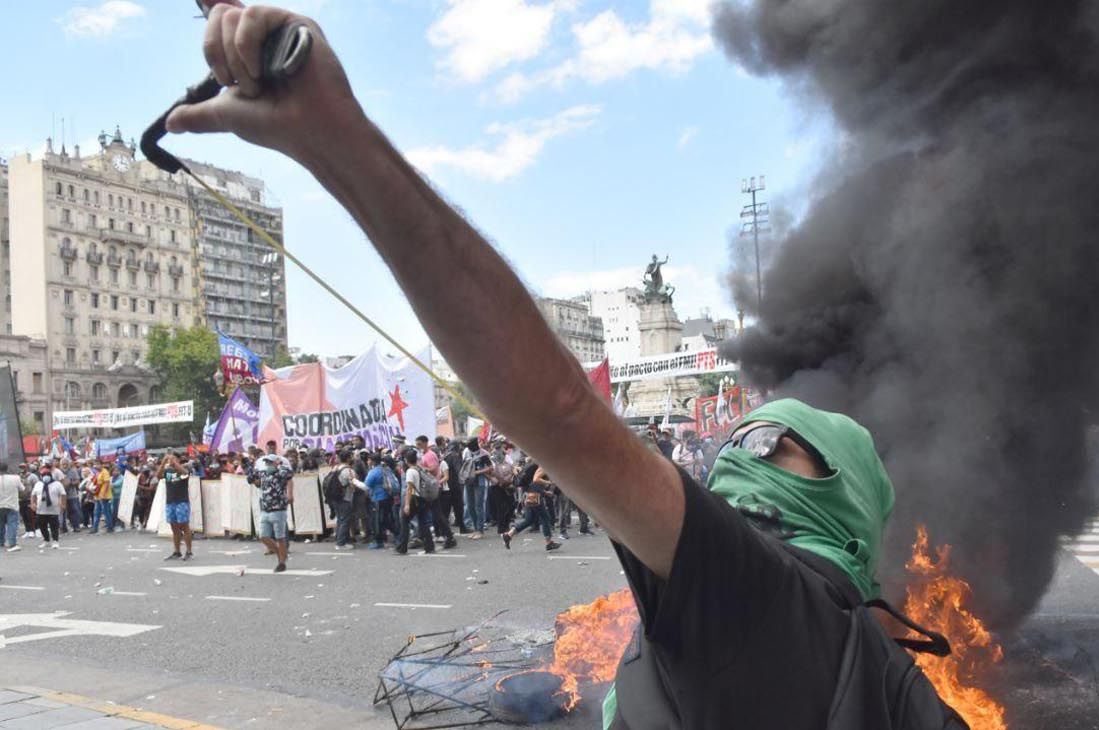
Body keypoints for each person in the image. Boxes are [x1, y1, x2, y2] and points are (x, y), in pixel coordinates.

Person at [164, 10, 959, 727]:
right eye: (734, 446)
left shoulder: (774, 601)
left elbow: (559, 409)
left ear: (842, 497)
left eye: (768, 448)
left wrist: (337, 140)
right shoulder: (887, 675)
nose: (732, 467)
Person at [249, 447, 295, 572]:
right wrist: (251, 469)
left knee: (280, 537)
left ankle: (281, 562)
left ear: (276, 463)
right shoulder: (263, 473)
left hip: (278, 508)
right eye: (266, 463)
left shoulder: (282, 472)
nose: (267, 464)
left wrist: (290, 494)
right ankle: (281, 554)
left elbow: (290, 478)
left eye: (270, 462)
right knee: (263, 536)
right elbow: (253, 480)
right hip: (265, 509)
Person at [500, 465, 561, 552]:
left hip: (530, 494)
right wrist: (550, 482)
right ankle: (549, 542)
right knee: (545, 517)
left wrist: (544, 492)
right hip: (535, 497)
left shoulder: (537, 465)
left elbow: (533, 483)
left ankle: (508, 535)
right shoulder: (542, 465)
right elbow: (536, 480)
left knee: (529, 520)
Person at [161, 454, 194, 560]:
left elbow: (184, 473)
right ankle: (177, 551)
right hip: (170, 501)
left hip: (182, 501)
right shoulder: (167, 472)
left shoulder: (185, 469)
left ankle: (189, 551)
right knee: (174, 527)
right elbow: (158, 476)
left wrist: (174, 463)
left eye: (173, 458)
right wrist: (162, 463)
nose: (170, 461)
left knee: (184, 525)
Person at [364, 455, 399, 549]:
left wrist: (354, 481)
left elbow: (366, 486)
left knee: (378, 521)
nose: (367, 461)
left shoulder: (373, 472)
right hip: (388, 497)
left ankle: (379, 542)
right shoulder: (386, 469)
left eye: (368, 459)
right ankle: (398, 535)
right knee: (387, 519)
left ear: (372, 461)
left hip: (378, 498)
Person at [461, 437, 492, 539]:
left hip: (480, 482)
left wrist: (477, 472)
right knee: (469, 506)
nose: (468, 447)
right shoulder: (467, 453)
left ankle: (480, 530)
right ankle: (475, 528)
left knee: (479, 506)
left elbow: (491, 467)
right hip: (468, 482)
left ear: (474, 445)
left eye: (469, 445)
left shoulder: (484, 454)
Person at [31, 466, 66, 549]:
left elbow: (63, 494)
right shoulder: (38, 484)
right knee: (42, 526)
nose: (46, 476)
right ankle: (46, 540)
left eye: (47, 474)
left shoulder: (57, 484)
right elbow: (33, 494)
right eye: (44, 474)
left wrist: (63, 504)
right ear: (41, 476)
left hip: (53, 509)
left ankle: (55, 541)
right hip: (41, 510)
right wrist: (33, 503)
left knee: (54, 526)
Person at [438, 437, 467, 534]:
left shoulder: (445, 455)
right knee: (458, 507)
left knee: (446, 509)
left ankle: (445, 531)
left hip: (447, 485)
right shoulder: (455, 455)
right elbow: (459, 469)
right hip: (454, 484)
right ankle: (462, 527)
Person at [0, 463, 21, 552]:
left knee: (0, 525)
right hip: (12, 505)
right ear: (7, 468)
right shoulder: (15, 478)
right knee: (12, 524)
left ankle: (1, 541)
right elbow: (22, 489)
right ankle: (12, 543)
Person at [90, 464, 114, 534]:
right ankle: (95, 528)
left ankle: (110, 527)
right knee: (97, 512)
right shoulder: (98, 472)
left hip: (104, 496)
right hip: (98, 495)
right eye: (95, 464)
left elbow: (106, 484)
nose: (96, 466)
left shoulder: (105, 472)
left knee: (106, 512)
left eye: (97, 464)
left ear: (101, 465)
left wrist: (103, 494)